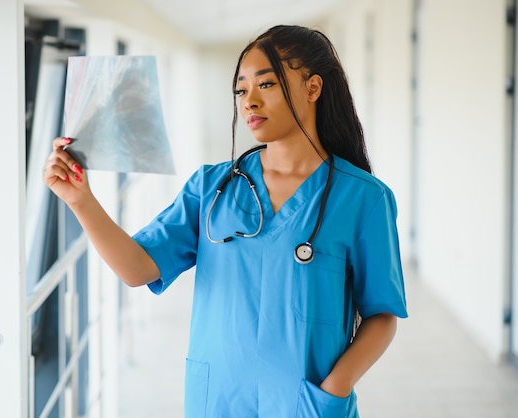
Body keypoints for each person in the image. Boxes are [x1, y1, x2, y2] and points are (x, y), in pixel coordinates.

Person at [43, 24, 407, 418]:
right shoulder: (211, 187)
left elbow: (382, 314)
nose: (248, 101)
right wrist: (81, 201)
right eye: (240, 89)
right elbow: (137, 268)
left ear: (313, 88)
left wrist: (335, 388)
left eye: (265, 85)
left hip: (306, 404)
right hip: (219, 399)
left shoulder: (364, 198)